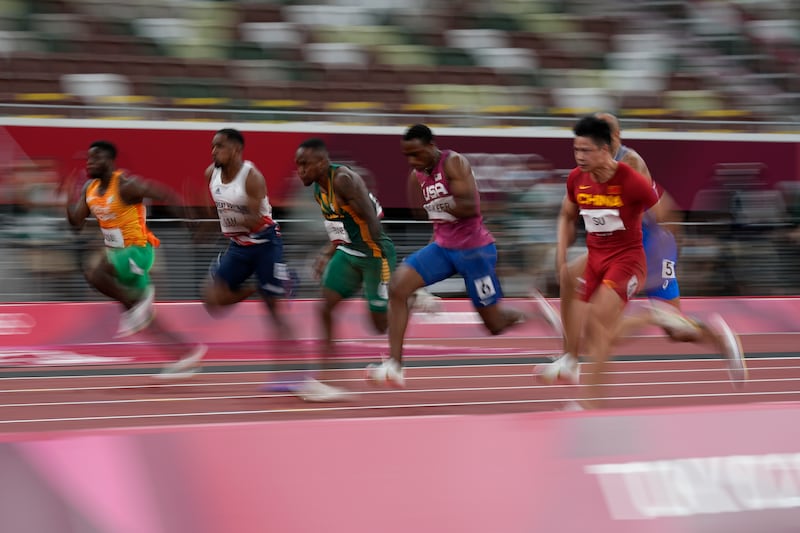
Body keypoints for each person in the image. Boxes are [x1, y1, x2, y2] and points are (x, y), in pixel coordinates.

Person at [537, 113, 747, 389]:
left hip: (651, 247)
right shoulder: (592, 166)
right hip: (622, 245)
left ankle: (712, 335)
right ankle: (570, 357)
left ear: (614, 140)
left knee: (664, 328)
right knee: (572, 276)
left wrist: (667, 254)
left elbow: (662, 215)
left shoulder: (630, 164)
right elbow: (574, 207)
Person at [366, 124, 562, 386]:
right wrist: (434, 224)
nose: (413, 161)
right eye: (407, 156)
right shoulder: (417, 176)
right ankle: (394, 365)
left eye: (416, 154)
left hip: (475, 252)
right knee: (399, 288)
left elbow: (469, 206)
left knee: (493, 325)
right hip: (443, 248)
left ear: (431, 146)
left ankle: (532, 314)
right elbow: (423, 215)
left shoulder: (454, 163)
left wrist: (438, 205)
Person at [204, 128, 346, 402]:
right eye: (212, 146)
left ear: (235, 150)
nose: (213, 151)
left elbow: (256, 220)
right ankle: (259, 287)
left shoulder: (252, 178)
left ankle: (305, 379)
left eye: (219, 146)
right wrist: (209, 223)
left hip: (264, 244)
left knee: (276, 314)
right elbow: (219, 211)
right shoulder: (211, 174)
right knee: (214, 299)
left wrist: (233, 218)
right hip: (238, 247)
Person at [66, 140, 206, 378]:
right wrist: (68, 197)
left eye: (96, 157)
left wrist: (188, 220)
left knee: (94, 272)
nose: (89, 162)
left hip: (137, 251)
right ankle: (186, 355)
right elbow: (76, 224)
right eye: (88, 158)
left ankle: (136, 303)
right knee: (143, 321)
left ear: (110, 162)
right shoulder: (89, 189)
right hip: (116, 254)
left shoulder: (126, 186)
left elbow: (163, 193)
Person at [294, 138, 396, 379]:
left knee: (379, 325)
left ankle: (404, 297)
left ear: (321, 162)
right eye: (297, 165)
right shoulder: (319, 189)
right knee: (325, 307)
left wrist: (377, 269)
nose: (300, 171)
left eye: (304, 164)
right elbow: (338, 225)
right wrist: (327, 253)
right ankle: (327, 371)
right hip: (348, 253)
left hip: (374, 255)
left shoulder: (342, 180)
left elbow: (373, 218)